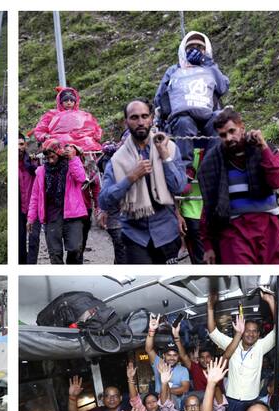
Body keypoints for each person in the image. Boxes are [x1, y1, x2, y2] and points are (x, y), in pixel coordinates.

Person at [99, 99, 187, 264]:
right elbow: (104, 200)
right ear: (126, 122)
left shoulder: (170, 148)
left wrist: (165, 157)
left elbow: (179, 187)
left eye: (144, 116)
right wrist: (131, 177)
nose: (140, 122)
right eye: (134, 117)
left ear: (151, 118)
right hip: (134, 235)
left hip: (166, 232)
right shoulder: (118, 159)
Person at [198, 108, 279, 264]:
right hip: (234, 231)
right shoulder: (212, 162)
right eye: (222, 135)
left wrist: (264, 148)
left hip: (268, 227)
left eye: (232, 131)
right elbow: (210, 204)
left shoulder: (263, 150)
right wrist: (207, 244)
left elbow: (277, 181)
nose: (228, 138)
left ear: (242, 127)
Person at [207, 290, 276, 411]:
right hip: (234, 402)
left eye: (255, 331)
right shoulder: (232, 343)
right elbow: (212, 331)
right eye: (248, 330)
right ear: (242, 329)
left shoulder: (261, 346)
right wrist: (210, 307)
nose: (252, 334)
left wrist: (271, 302)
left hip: (252, 402)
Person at [154, 31, 229, 169]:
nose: (195, 49)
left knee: (220, 119)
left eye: (200, 47)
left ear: (206, 50)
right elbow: (160, 97)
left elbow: (223, 87)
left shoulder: (210, 68)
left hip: (207, 115)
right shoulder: (174, 70)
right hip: (183, 116)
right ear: (184, 50)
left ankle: (211, 164)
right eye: (191, 47)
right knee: (184, 123)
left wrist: (208, 63)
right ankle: (185, 168)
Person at [26, 139, 87, 264]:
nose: (50, 160)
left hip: (73, 215)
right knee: (55, 253)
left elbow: (81, 177)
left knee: (75, 249)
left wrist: (73, 159)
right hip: (52, 216)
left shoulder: (70, 166)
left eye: (53, 157)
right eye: (47, 158)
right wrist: (31, 217)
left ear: (59, 153)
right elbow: (35, 196)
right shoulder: (41, 172)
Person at [34, 87, 102, 151]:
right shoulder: (51, 115)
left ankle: (89, 161)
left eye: (72, 100)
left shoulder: (84, 115)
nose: (69, 103)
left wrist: (94, 136)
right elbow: (39, 130)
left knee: (88, 141)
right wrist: (45, 136)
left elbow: (96, 129)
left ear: (75, 102)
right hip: (60, 139)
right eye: (66, 100)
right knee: (64, 141)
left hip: (82, 138)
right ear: (60, 102)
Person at [145, 314, 191, 409]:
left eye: (175, 355)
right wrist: (152, 331)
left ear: (178, 357)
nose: (171, 358)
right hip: (157, 401)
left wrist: (165, 390)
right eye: (169, 355)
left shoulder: (183, 370)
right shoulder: (159, 362)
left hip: (175, 404)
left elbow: (185, 388)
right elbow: (149, 349)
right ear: (164, 356)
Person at [18, 133, 40, 264]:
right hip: (19, 208)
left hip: (34, 207)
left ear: (25, 145)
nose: (18, 148)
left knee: (34, 240)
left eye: (20, 144)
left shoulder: (34, 162)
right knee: (19, 242)